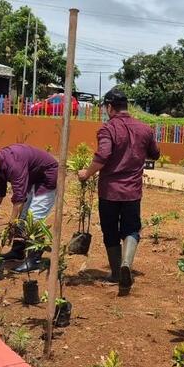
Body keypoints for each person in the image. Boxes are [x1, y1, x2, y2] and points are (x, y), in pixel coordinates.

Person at [77, 88, 160, 292]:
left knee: (110, 230)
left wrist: (86, 173)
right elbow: (155, 154)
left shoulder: (108, 129)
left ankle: (115, 272)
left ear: (110, 107)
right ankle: (126, 264)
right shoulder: (145, 129)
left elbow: (103, 155)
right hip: (132, 191)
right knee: (131, 229)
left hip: (110, 191)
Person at [0, 144, 58, 272]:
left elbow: (19, 198)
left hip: (47, 177)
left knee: (34, 218)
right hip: (32, 179)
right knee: (23, 216)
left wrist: (11, 225)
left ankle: (35, 260)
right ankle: (18, 252)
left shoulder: (14, 164)